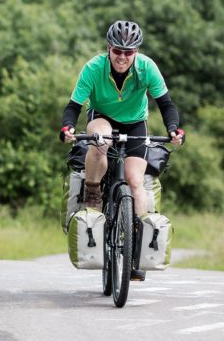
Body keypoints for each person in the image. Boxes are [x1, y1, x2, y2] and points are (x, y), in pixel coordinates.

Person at [59, 20, 184, 214]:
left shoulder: (147, 67)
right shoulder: (93, 68)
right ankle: (92, 191)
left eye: (129, 52)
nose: (122, 57)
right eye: (118, 50)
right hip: (102, 116)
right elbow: (74, 106)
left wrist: (173, 128)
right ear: (109, 48)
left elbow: (166, 104)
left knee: (135, 182)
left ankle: (139, 235)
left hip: (135, 122)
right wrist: (68, 127)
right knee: (102, 140)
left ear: (136, 51)